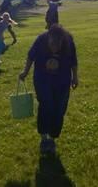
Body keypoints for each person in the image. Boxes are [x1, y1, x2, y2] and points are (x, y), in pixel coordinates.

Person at [19, 24, 78, 156]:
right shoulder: (41, 40)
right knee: (46, 105)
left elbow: (73, 61)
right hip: (42, 79)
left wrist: (75, 77)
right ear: (48, 39)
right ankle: (44, 138)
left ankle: (52, 137)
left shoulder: (68, 41)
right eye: (52, 45)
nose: (54, 49)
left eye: (57, 47)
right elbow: (30, 56)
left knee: (59, 108)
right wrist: (25, 72)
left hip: (62, 81)